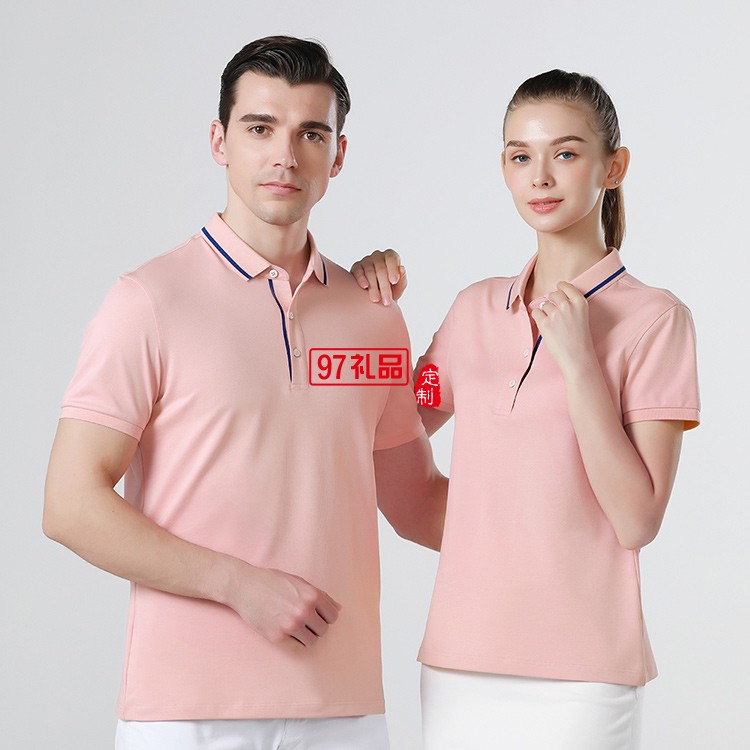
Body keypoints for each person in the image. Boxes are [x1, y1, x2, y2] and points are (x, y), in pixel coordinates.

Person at [43, 35, 445, 750]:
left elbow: (415, 500)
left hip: (344, 709)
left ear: (338, 156)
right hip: (186, 712)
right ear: (219, 141)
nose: (285, 155)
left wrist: (488, 363)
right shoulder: (148, 301)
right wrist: (238, 585)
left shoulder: (373, 313)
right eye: (260, 128)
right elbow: (70, 505)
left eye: (310, 133)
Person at [353, 69, 700, 749]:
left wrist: (580, 363)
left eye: (565, 153)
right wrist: (370, 315)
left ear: (613, 167)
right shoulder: (473, 310)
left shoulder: (656, 321)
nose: (540, 176)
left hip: (585, 671)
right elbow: (388, 428)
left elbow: (637, 518)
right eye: (520, 156)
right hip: (460, 660)